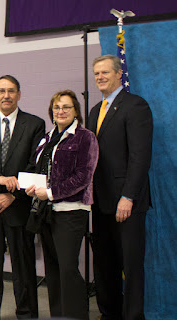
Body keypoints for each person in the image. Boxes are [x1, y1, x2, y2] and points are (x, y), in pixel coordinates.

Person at [0, 75, 45, 320]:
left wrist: (13, 196)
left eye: (11, 91)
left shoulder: (34, 124)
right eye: (2, 91)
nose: (6, 95)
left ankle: (26, 314)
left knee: (23, 266)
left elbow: (36, 165)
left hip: (19, 206)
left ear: (19, 94)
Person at [88, 55, 153, 320]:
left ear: (118, 74)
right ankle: (109, 314)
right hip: (100, 202)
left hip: (127, 203)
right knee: (105, 265)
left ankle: (134, 316)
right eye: (96, 74)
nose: (100, 77)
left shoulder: (135, 106)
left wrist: (128, 196)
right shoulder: (94, 110)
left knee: (131, 265)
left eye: (104, 72)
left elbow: (140, 157)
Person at [26, 90, 99, 320]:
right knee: (53, 271)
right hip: (47, 212)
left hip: (71, 211)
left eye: (66, 107)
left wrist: (50, 192)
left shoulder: (85, 137)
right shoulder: (47, 138)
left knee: (68, 270)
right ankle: (58, 316)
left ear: (76, 110)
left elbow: (83, 177)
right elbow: (40, 170)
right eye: (57, 107)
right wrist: (32, 186)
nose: (61, 111)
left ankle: (76, 316)